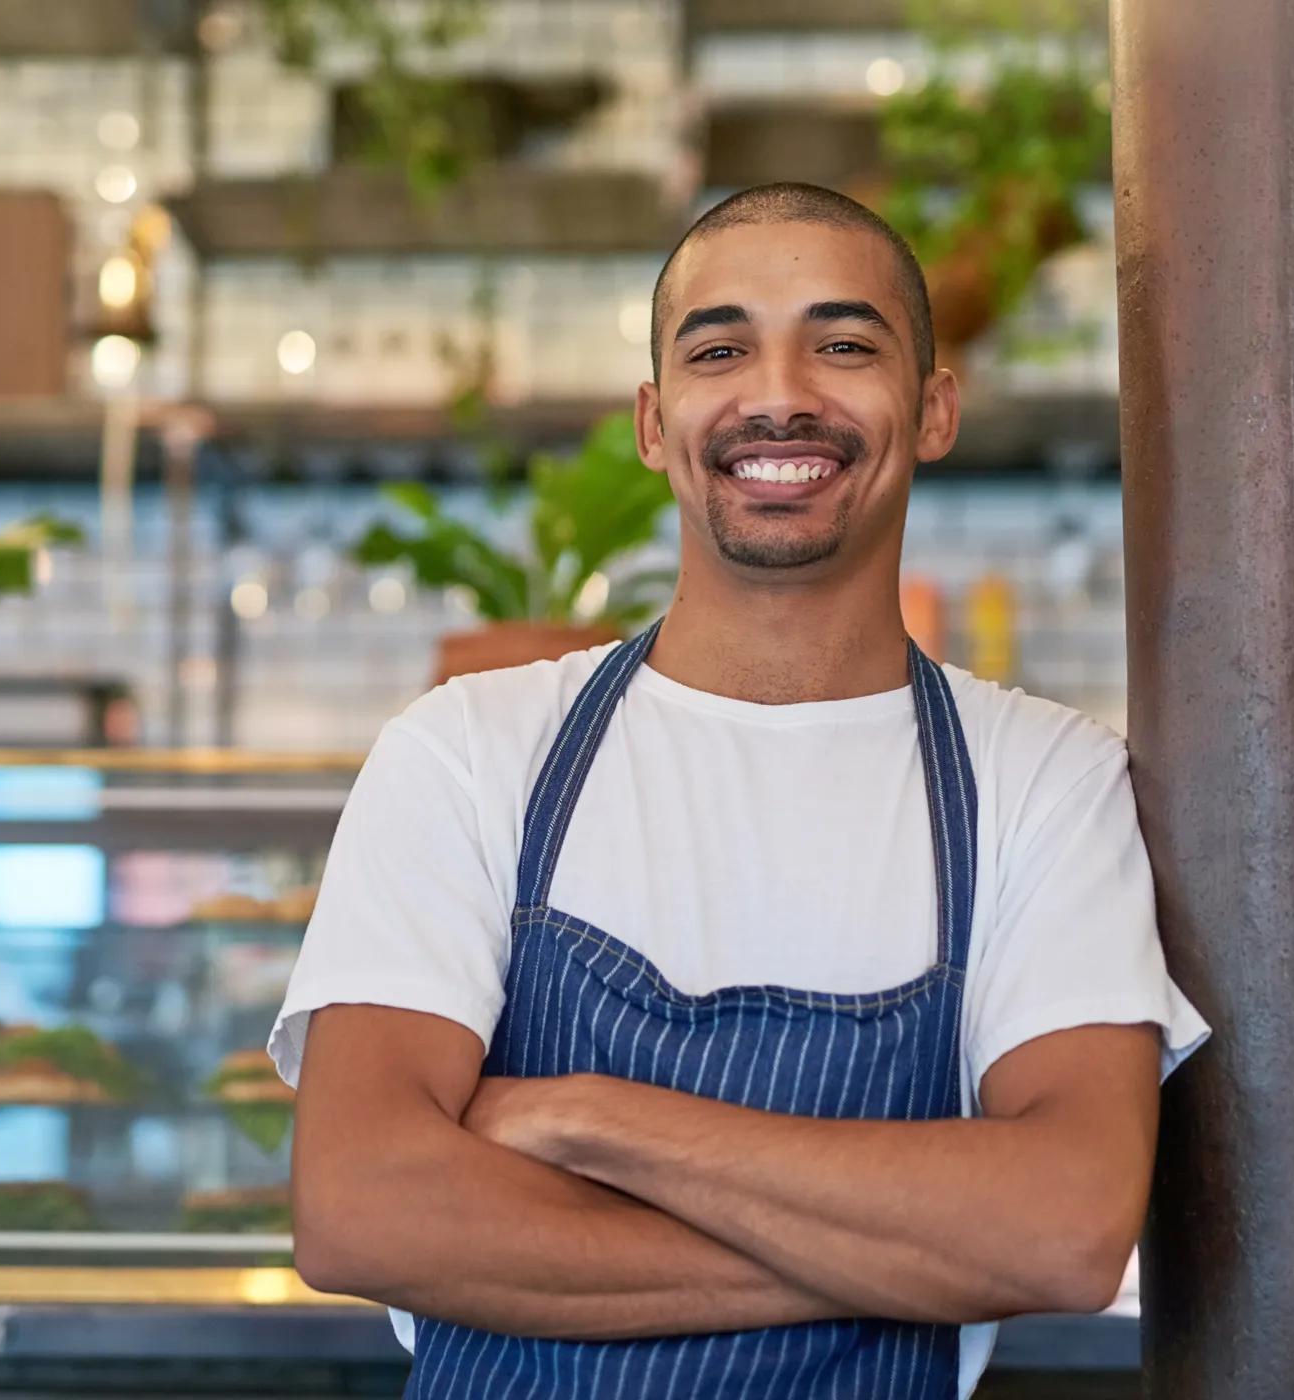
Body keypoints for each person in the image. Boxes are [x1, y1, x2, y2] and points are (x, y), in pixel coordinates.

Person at [269, 182, 1208, 1398]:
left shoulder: (1039, 777)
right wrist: (905, 1245)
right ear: (656, 422)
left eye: (844, 344)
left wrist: (593, 1118)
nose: (779, 394)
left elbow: (1064, 1227)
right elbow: (360, 1209)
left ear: (932, 410)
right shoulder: (469, 751)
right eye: (720, 349)